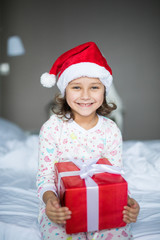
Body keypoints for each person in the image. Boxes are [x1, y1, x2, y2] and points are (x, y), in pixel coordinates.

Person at [37, 42, 140, 240]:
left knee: (117, 233)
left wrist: (128, 203)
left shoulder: (110, 130)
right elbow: (45, 177)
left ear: (104, 91)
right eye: (76, 87)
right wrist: (50, 202)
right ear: (64, 91)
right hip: (61, 206)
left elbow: (114, 177)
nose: (85, 96)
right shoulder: (52, 128)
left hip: (104, 203)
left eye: (94, 87)